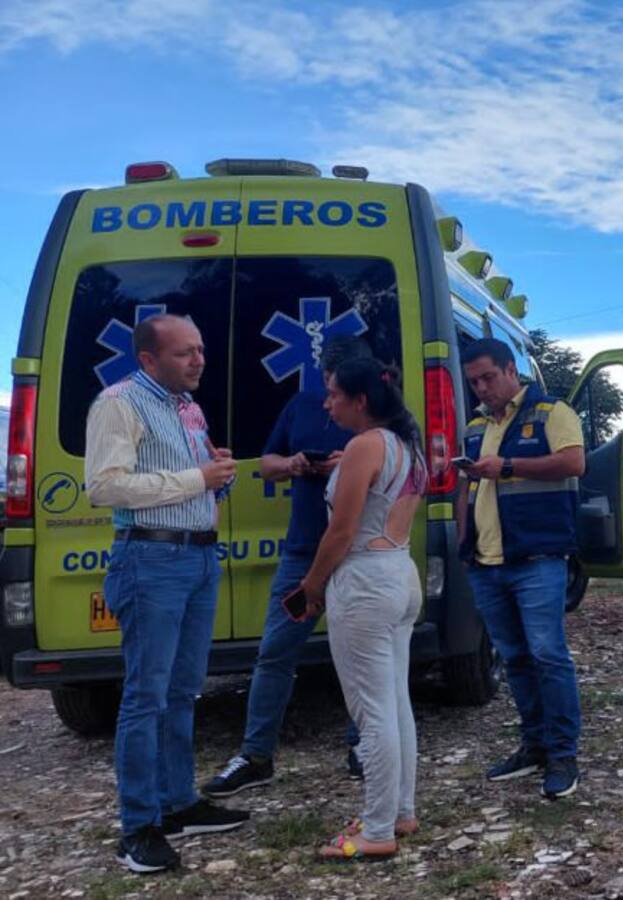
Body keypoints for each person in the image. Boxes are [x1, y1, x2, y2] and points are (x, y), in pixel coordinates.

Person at [85, 313, 248, 874]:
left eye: (200, 349)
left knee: (184, 690)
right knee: (146, 695)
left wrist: (216, 476)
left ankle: (179, 803)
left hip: (198, 556)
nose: (198, 359)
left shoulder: (189, 408)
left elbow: (197, 474)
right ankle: (139, 827)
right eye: (184, 353)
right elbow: (103, 485)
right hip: (150, 559)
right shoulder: (119, 402)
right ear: (149, 359)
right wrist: (195, 480)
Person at [202, 337, 368, 799]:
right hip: (301, 551)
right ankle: (255, 755)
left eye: (336, 384)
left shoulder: (377, 418)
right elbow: (267, 464)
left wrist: (348, 464)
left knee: (358, 655)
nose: (328, 391)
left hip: (357, 552)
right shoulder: (301, 406)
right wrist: (293, 464)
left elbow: (399, 471)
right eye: (326, 382)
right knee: (274, 653)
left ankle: (364, 744)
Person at [296, 355, 428, 860]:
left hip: (364, 582)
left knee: (372, 713)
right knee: (396, 704)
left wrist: (311, 586)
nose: (327, 402)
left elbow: (342, 531)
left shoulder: (363, 446)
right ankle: (400, 811)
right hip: (399, 572)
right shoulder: (405, 445)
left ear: (361, 400)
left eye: (332, 393)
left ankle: (376, 831)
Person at [457, 338, 586, 800]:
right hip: (486, 562)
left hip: (537, 558)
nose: (482, 388)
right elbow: (467, 486)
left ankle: (563, 754)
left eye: (488, 377)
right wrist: (462, 538)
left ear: (511, 370)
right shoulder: (474, 425)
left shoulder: (551, 412)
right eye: (474, 381)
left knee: (548, 654)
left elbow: (574, 462)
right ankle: (533, 744)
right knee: (513, 658)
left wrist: (507, 466)